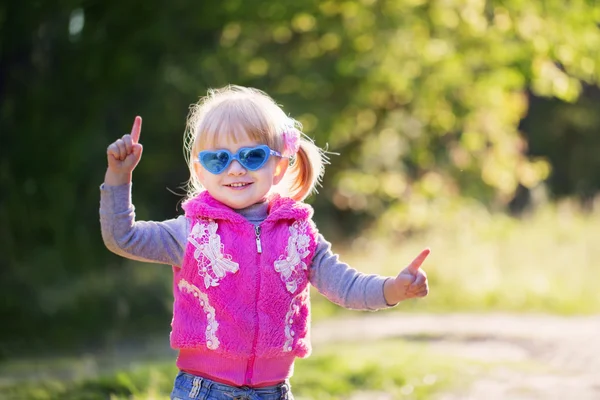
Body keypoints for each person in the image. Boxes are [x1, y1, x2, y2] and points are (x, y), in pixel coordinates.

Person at [100, 85, 430, 400]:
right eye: (219, 160)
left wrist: (393, 289)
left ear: (279, 165)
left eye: (252, 156)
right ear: (200, 171)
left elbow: (346, 286)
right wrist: (119, 177)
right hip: (203, 389)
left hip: (272, 391)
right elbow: (123, 237)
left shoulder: (298, 234)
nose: (235, 169)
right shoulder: (192, 232)